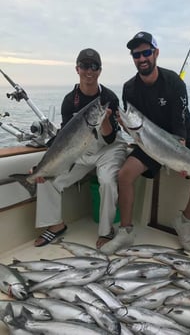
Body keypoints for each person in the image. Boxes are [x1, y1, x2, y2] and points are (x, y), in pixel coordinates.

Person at [100, 31, 190, 255]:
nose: (142, 58)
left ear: (156, 53)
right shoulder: (129, 88)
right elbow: (133, 128)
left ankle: (184, 221)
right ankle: (125, 232)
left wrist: (178, 161)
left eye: (146, 52)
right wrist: (125, 125)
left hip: (181, 134)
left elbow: (180, 127)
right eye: (136, 55)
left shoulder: (174, 82)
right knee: (124, 175)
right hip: (148, 138)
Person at [34, 48, 127, 248]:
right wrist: (42, 166)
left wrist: (104, 122)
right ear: (77, 69)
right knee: (48, 179)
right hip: (81, 148)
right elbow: (63, 138)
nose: (89, 71)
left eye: (94, 67)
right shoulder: (70, 100)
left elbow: (110, 138)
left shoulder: (109, 97)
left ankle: (106, 231)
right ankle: (56, 226)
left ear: (100, 71)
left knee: (108, 181)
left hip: (109, 149)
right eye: (84, 66)